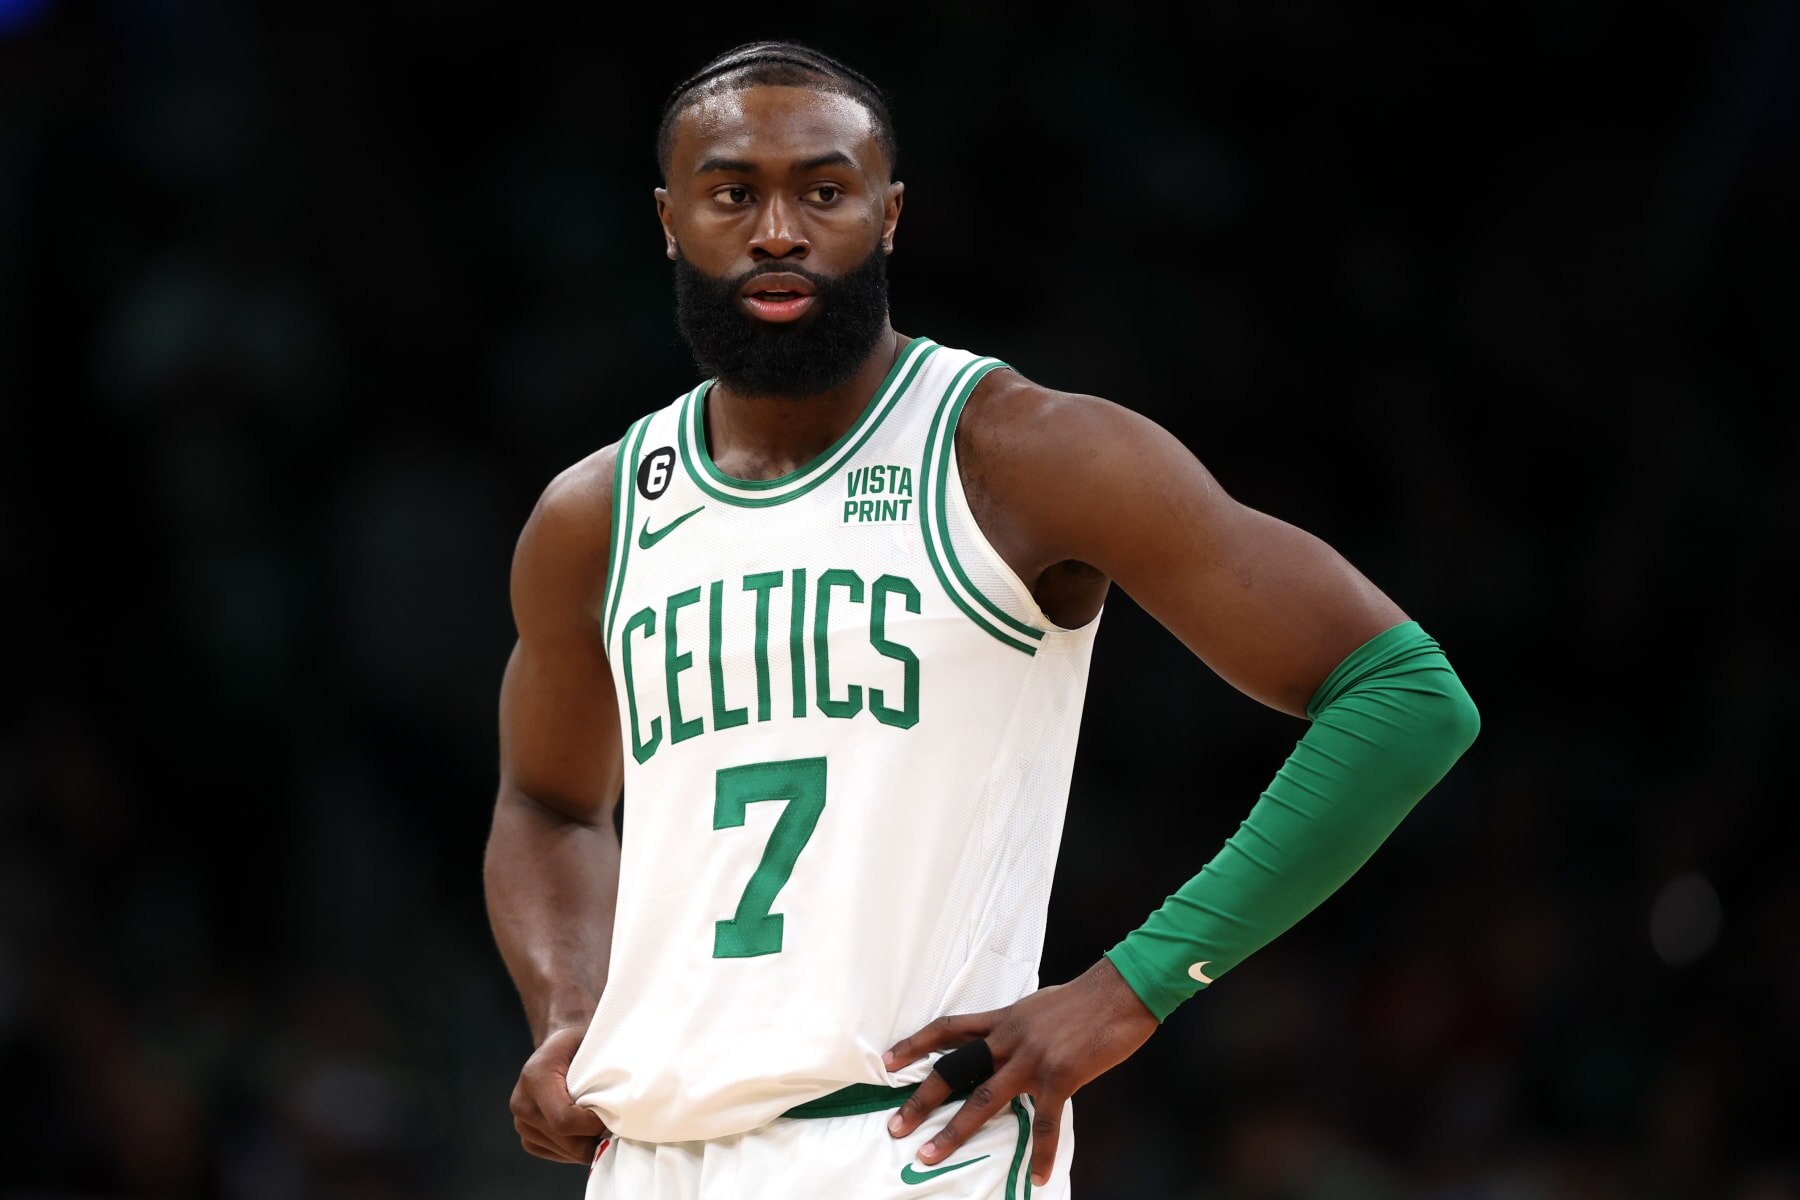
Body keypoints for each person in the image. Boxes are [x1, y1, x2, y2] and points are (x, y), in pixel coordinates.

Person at [483, 40, 1479, 1200]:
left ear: (890, 212)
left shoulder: (1019, 452)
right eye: (731, 192)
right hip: (652, 1159)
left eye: (823, 189)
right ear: (668, 219)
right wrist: (567, 1009)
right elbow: (546, 799)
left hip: (908, 1149)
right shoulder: (597, 515)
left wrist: (1132, 989)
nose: (777, 231)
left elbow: (1405, 696)